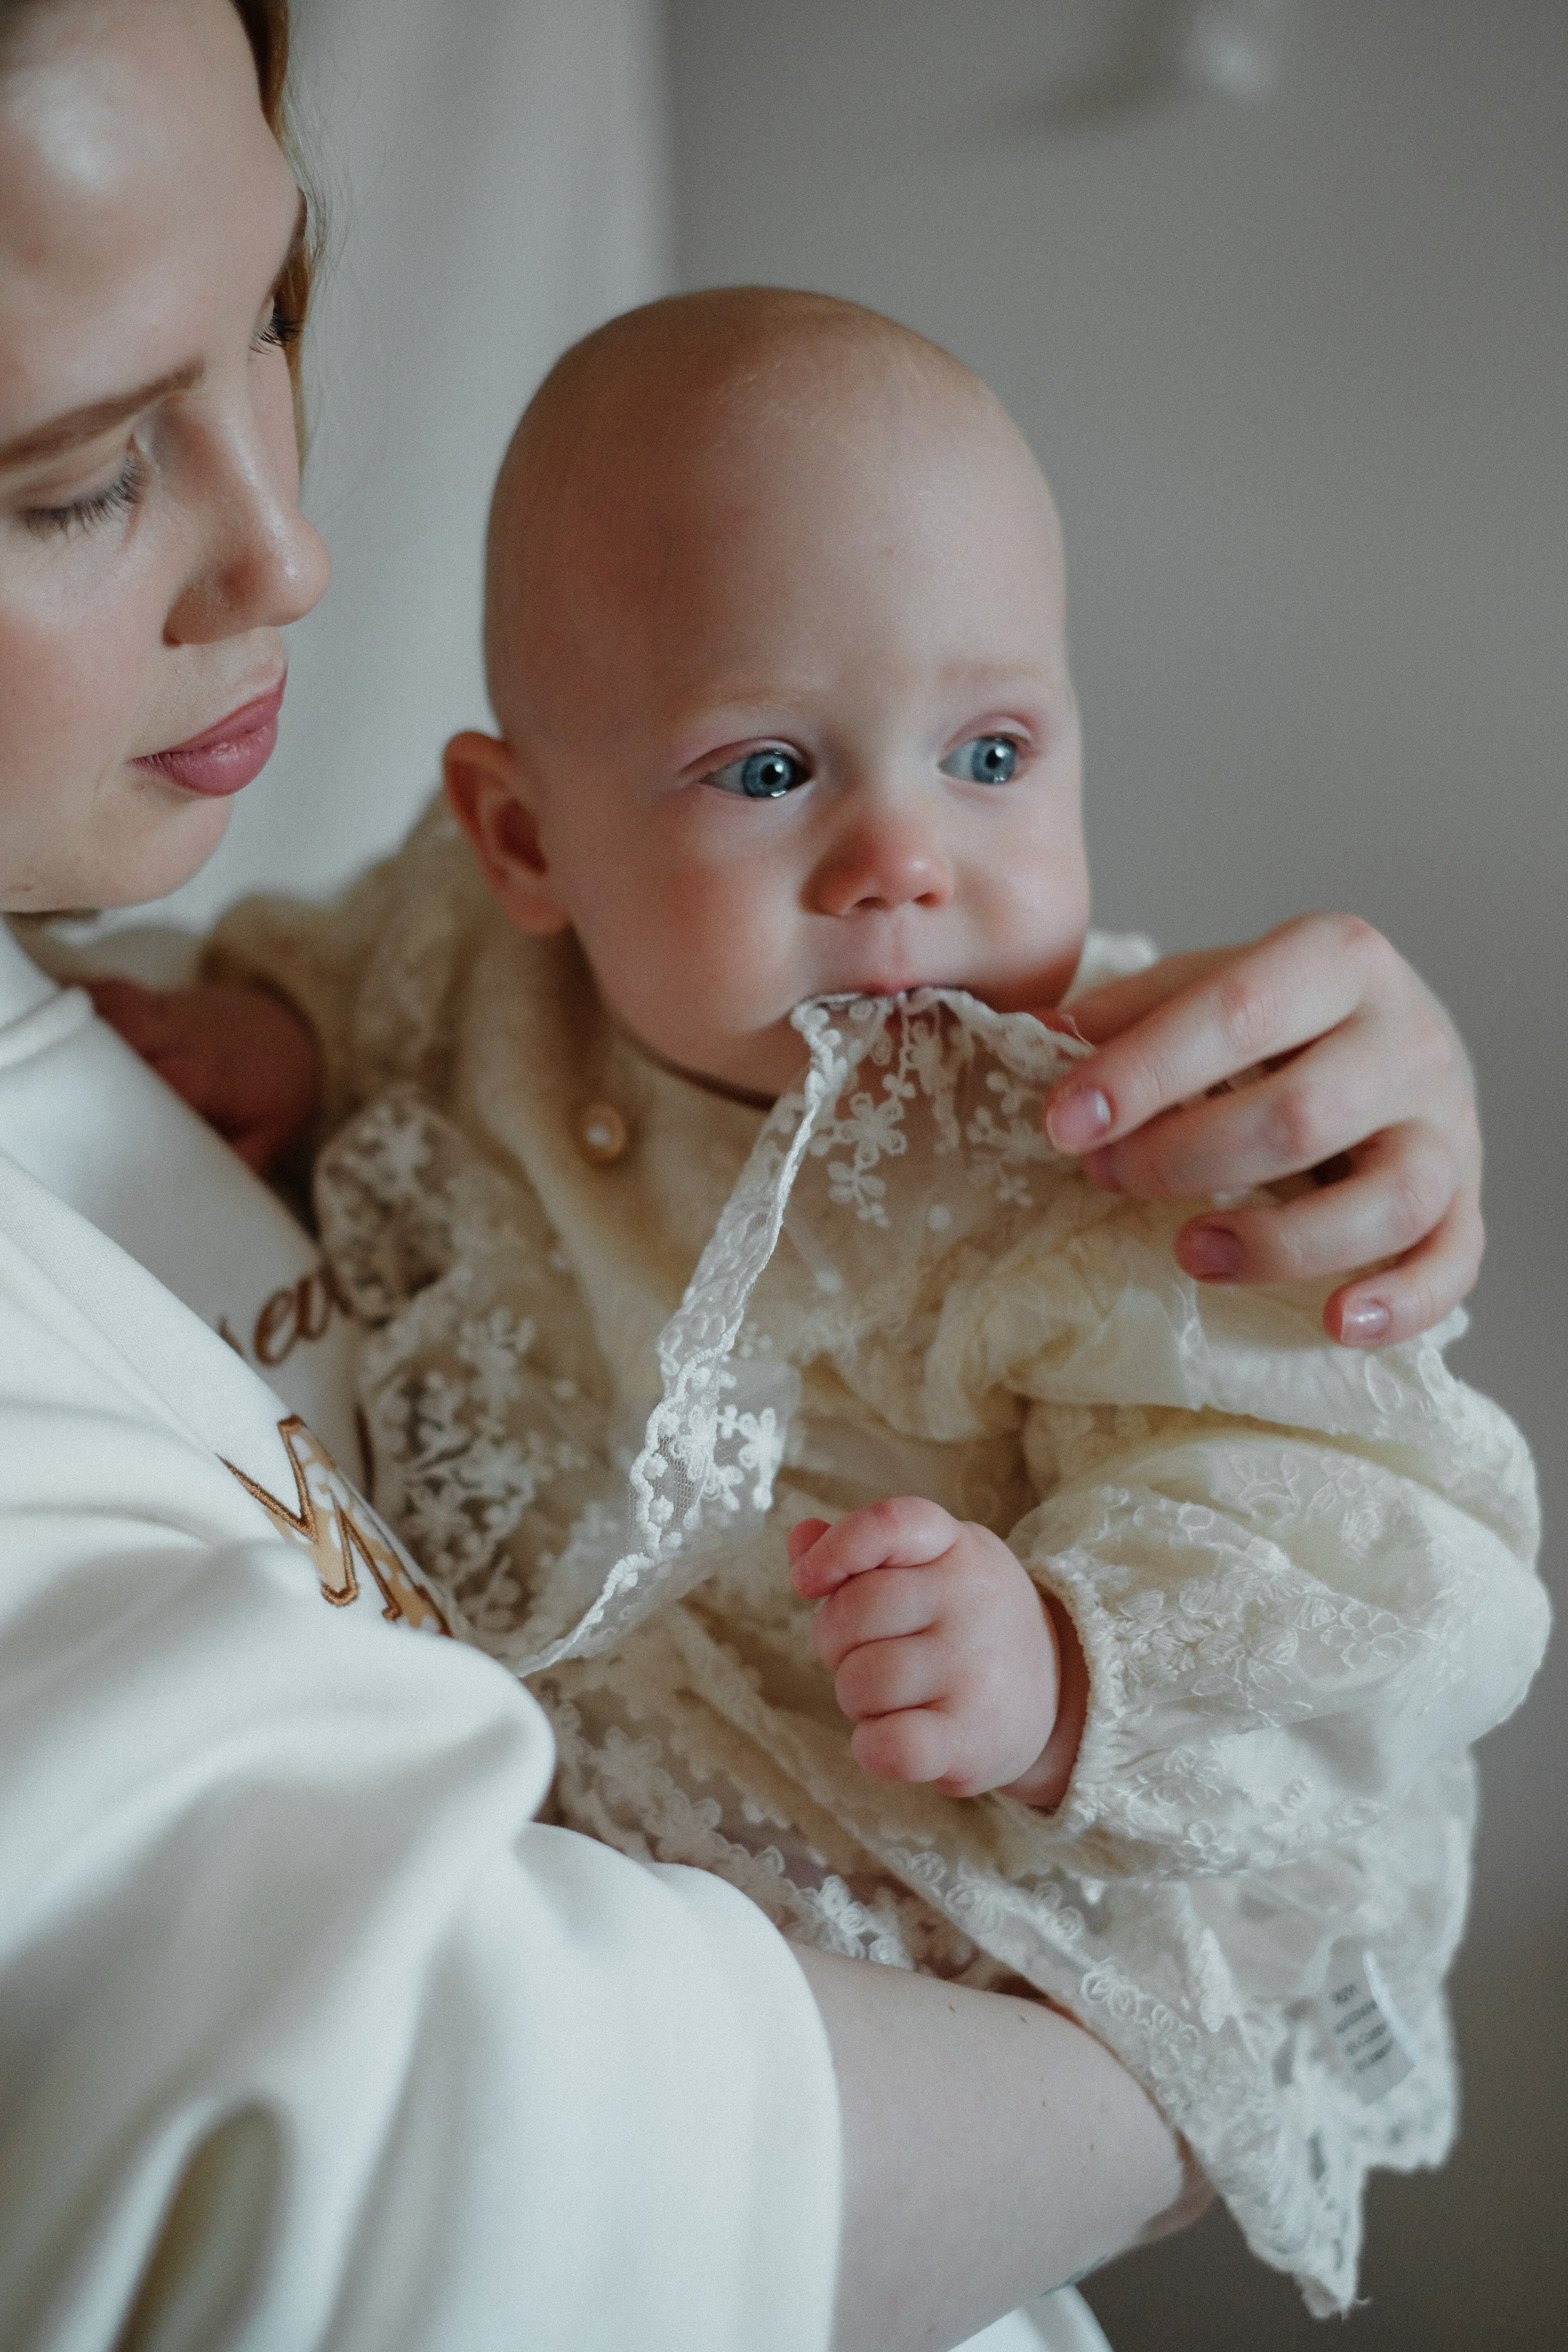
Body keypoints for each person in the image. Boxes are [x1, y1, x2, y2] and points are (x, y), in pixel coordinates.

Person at [119, 287, 1547, 2320]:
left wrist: (1066, 1659)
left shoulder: (1104, 1156)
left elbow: (1358, 1534)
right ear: (525, 837)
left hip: (887, 1959)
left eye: (990, 752)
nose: (904, 858)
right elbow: (376, 964)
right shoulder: (494, 957)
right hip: (573, 1926)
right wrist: (272, 1026)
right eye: (771, 766)